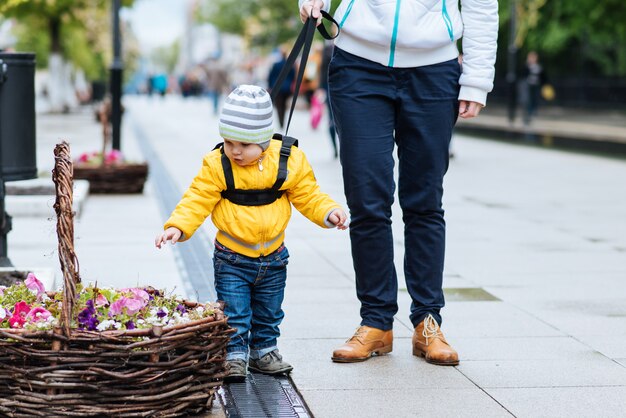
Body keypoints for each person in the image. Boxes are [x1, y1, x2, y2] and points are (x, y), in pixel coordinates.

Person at [299, 0, 498, 366]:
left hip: (434, 68)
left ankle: (428, 321)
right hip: (357, 64)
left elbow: (482, 6)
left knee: (424, 201)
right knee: (366, 199)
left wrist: (477, 79)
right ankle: (376, 322)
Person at [155, 85, 348, 382]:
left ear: (265, 140)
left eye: (244, 145)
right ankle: (233, 355)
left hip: (274, 256)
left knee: (269, 312)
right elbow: (197, 198)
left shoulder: (288, 160)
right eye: (229, 141)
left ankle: (264, 352)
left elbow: (308, 194)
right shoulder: (218, 164)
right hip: (231, 257)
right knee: (235, 312)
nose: (235, 151)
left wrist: (328, 212)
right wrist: (177, 227)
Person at [268, 49, 295, 129]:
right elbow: (293, 76)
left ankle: (281, 122)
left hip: (277, 87)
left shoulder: (276, 64)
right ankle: (283, 121)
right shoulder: (290, 64)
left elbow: (271, 76)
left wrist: (270, 86)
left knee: (279, 105)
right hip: (287, 88)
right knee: (284, 105)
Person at [522, 51, 547, 125]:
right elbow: (523, 75)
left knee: (535, 98)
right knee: (528, 99)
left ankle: (533, 112)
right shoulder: (526, 66)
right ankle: (528, 113)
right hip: (528, 85)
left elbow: (543, 77)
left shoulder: (538, 67)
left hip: (536, 85)